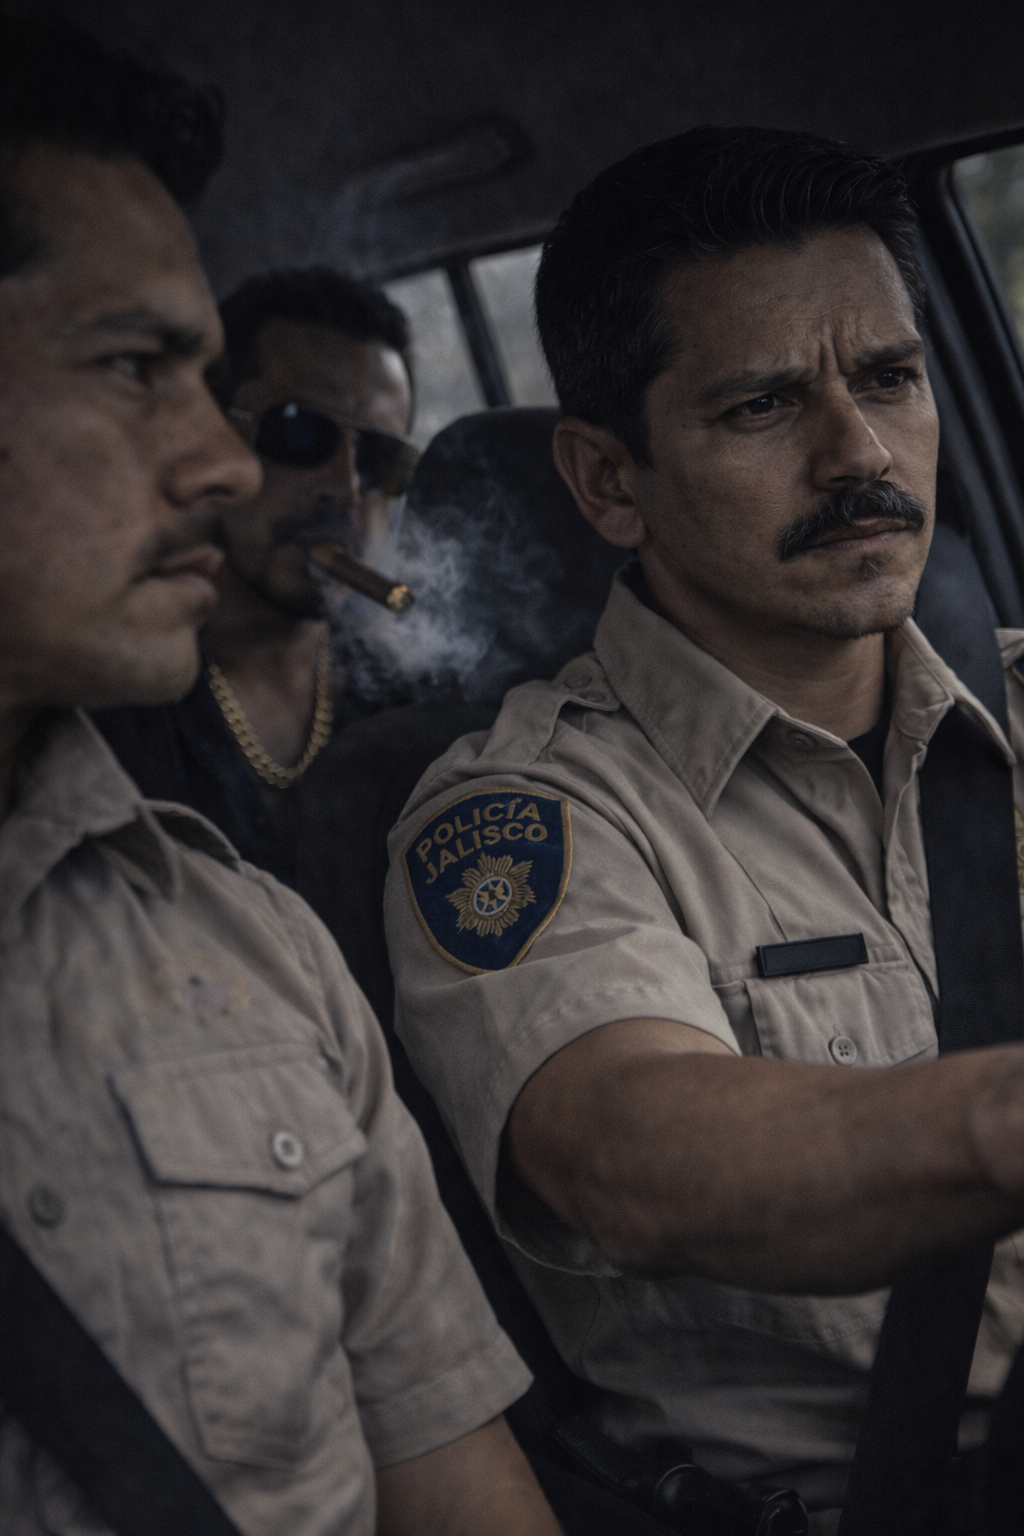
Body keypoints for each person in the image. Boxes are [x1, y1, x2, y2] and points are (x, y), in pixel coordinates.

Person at [383, 127, 1024, 1529]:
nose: (860, 452)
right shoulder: (530, 816)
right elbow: (633, 1155)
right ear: (611, 481)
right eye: (761, 407)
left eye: (891, 379)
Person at [0, 16, 563, 1536]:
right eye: (304, 434)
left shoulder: (433, 721)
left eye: (379, 464)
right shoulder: (118, 734)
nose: (307, 487)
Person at [93, 266, 419, 886]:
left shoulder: (416, 697)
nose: (344, 489)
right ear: (210, 435)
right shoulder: (110, 702)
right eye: (301, 432)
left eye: (378, 458)